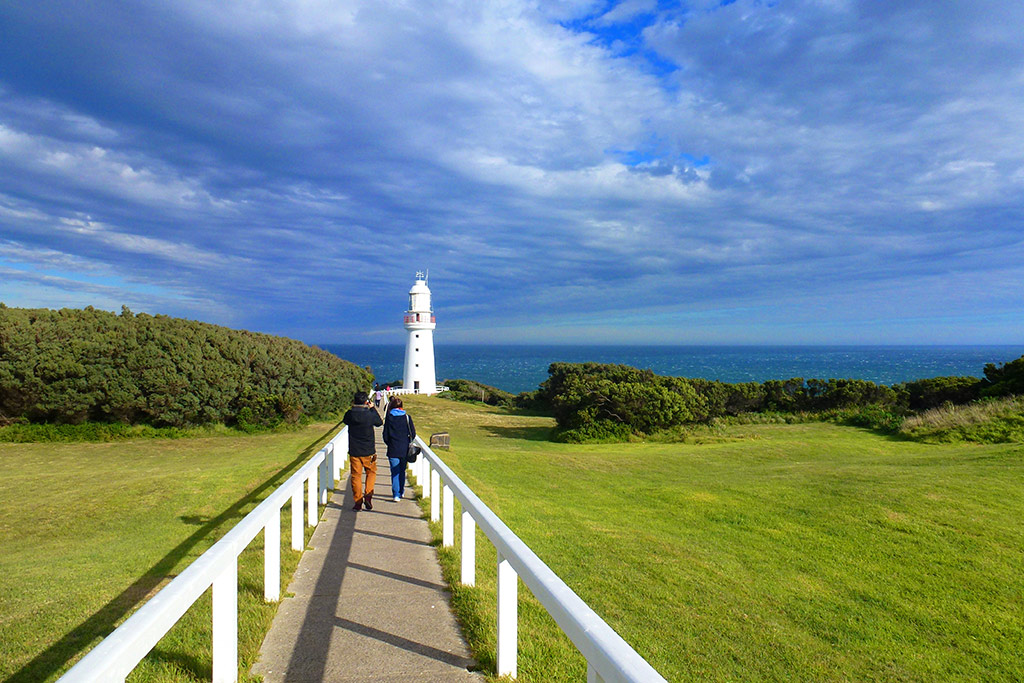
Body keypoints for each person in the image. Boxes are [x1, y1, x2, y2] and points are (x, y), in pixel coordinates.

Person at [342, 390, 382, 511]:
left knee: (356, 476)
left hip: (354, 450)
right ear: (366, 402)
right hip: (368, 450)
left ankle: (358, 502)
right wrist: (372, 408)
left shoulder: (350, 414)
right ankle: (368, 496)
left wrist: (353, 407)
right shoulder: (369, 414)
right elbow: (379, 422)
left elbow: (345, 420)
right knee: (371, 473)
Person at [381, 397, 415, 502]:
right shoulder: (407, 417)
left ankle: (396, 494)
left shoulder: (389, 418)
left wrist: (390, 443)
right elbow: (413, 433)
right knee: (402, 471)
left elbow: (385, 435)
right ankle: (401, 491)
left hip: (393, 449)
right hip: (404, 449)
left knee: (394, 472)